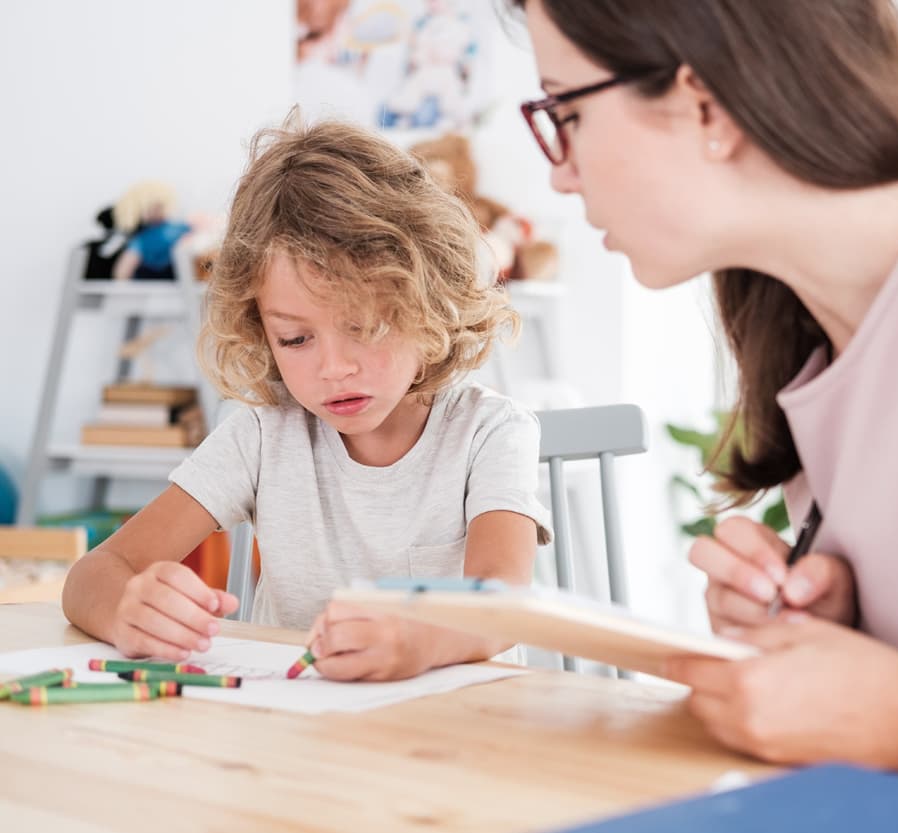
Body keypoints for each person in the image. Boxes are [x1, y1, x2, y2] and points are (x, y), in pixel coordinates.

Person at [509, 0, 898, 807]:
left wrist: (895, 709)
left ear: (704, 105)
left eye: (564, 112)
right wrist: (835, 633)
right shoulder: (817, 337)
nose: (559, 171)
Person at [63, 115, 551, 682]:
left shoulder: (491, 432)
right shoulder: (266, 434)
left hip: (459, 737)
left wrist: (419, 639)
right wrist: (128, 609)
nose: (333, 368)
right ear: (260, 330)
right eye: (295, 339)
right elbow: (94, 574)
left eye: (365, 327)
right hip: (302, 738)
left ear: (429, 303)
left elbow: (503, 603)